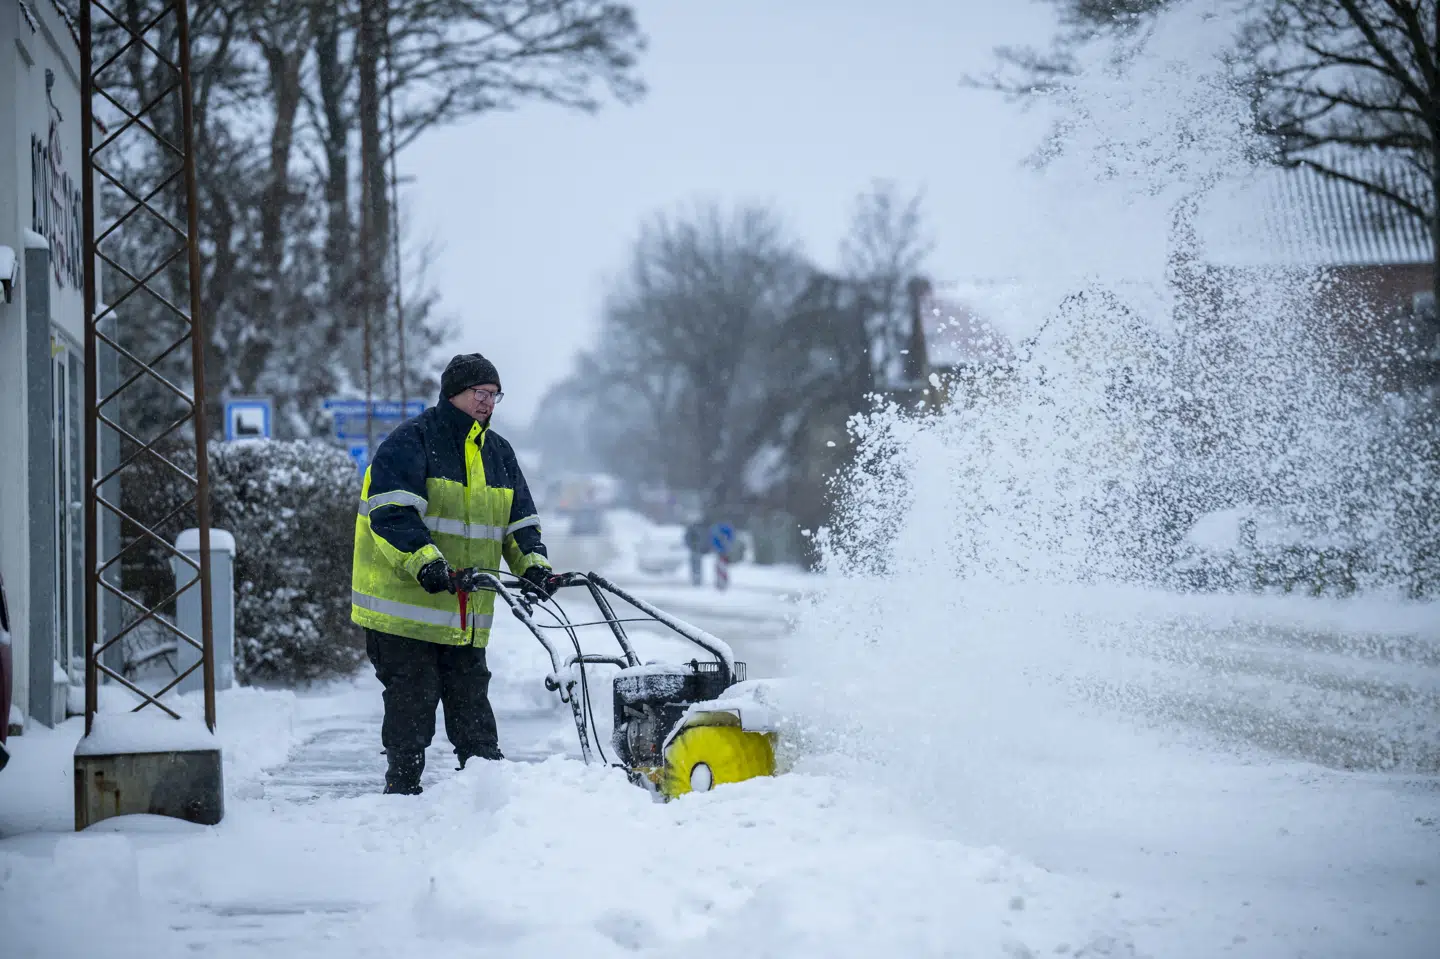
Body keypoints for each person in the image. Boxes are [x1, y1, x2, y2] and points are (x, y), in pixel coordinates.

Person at [351, 352, 563, 795]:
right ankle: (402, 795)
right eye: (480, 393)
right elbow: (390, 514)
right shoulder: (411, 442)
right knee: (412, 706)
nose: (488, 403)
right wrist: (427, 563)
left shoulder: (499, 455)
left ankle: (488, 801)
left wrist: (535, 568)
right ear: (454, 394)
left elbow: (519, 525)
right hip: (405, 611)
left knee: (473, 713)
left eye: (494, 395)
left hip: (465, 616)